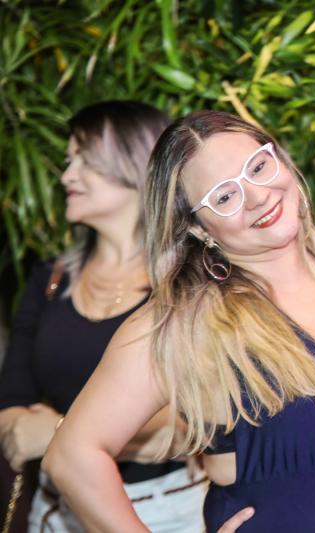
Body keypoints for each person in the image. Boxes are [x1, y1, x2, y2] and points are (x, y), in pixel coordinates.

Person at [42, 110, 315, 532]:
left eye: (258, 167)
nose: (258, 196)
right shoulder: (187, 321)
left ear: (280, 159)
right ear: (198, 229)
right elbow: (72, 455)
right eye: (224, 197)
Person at [0, 101, 207, 532]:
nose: (66, 176)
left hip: (169, 513)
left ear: (136, 164)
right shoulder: (50, 280)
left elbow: (192, 426)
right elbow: (12, 412)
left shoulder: (191, 283)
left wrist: (56, 432)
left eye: (84, 161)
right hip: (55, 513)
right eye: (68, 161)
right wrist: (85, 439)